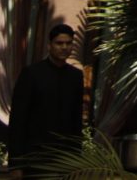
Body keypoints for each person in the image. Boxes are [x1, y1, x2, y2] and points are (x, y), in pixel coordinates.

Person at [7, 22, 85, 177]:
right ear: (50, 45)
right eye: (59, 43)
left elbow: (76, 120)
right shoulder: (32, 74)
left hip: (65, 158)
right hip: (35, 157)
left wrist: (77, 160)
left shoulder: (76, 76)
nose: (64, 47)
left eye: (68, 43)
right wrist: (15, 164)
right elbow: (18, 120)